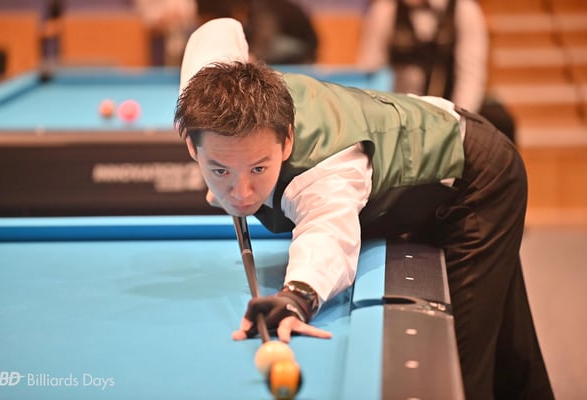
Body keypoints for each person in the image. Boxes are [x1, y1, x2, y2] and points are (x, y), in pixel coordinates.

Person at [174, 18, 553, 399]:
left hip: (475, 176)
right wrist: (227, 177)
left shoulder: (323, 171)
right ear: (192, 146)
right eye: (220, 169)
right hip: (441, 127)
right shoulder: (205, 92)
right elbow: (220, 30)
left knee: (459, 360)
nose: (241, 192)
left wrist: (297, 297)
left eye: (259, 168)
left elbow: (327, 233)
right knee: (508, 340)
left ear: (286, 141)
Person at [357, 0, 516, 142]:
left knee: (501, 123)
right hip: (399, 121)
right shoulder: (385, 10)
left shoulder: (464, 9)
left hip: (449, 116)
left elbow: (470, 77)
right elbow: (371, 74)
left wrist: (454, 124)